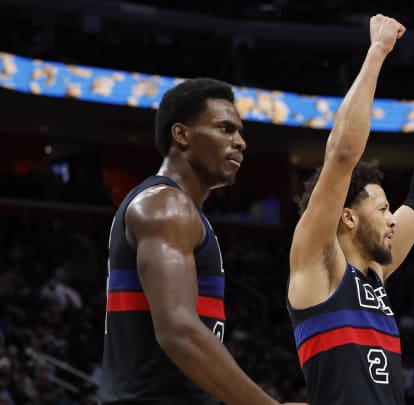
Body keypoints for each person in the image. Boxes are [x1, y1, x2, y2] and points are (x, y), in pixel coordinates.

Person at [287, 14, 414, 405]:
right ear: (347, 216)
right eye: (382, 209)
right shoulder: (318, 261)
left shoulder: (374, 272)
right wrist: (377, 52)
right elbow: (342, 154)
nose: (391, 218)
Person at [99, 77, 304, 405]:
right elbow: (178, 331)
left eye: (239, 132)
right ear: (181, 135)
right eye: (225, 129)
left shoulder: (179, 210)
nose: (240, 142)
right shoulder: (167, 206)